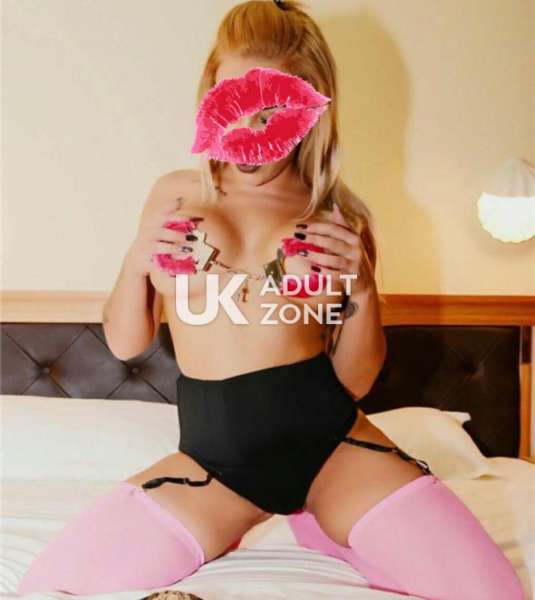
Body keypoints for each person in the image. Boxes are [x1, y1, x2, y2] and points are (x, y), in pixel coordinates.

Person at [17, 1, 525, 599]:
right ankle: (300, 525)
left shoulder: (341, 217)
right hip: (212, 467)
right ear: (211, 95)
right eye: (234, 100)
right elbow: (127, 342)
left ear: (310, 110)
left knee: (496, 594)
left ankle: (325, 523)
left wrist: (362, 287)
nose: (251, 130)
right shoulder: (174, 196)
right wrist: (136, 260)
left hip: (333, 450)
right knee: (49, 588)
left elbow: (354, 381)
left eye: (274, 108)